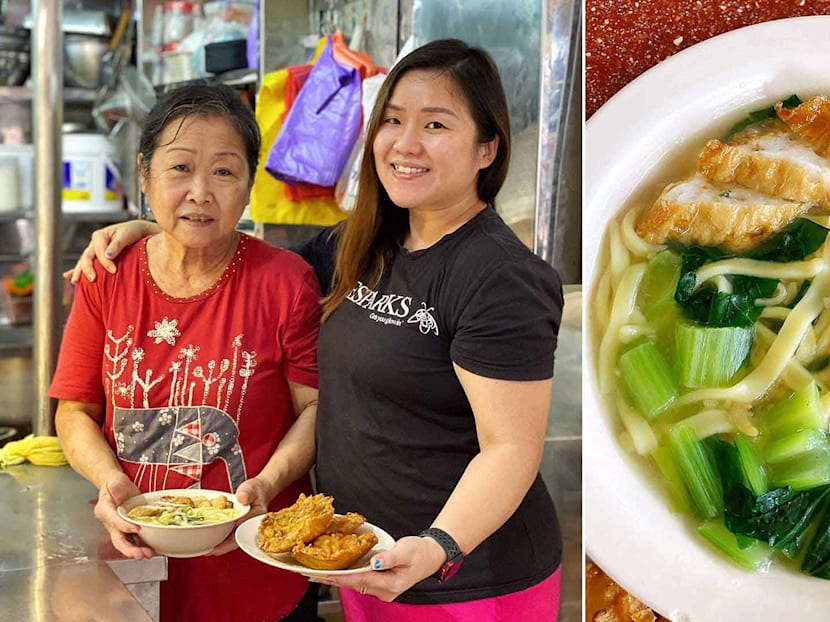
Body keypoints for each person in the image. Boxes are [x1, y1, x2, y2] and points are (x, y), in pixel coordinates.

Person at [68, 39, 564, 621]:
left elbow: (512, 450)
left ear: (487, 148)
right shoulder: (367, 243)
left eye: (435, 124)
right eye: (393, 121)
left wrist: (440, 547)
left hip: (466, 577)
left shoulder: (500, 277)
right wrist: (148, 224)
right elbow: (234, 250)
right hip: (366, 559)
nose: (406, 144)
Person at [51, 84, 324, 622]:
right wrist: (113, 484)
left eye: (224, 171)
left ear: (248, 186)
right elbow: (74, 410)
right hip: (128, 567)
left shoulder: (287, 282)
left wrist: (266, 485)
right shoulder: (106, 275)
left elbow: (316, 408)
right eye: (180, 168)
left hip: (258, 566)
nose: (201, 191)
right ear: (145, 174)